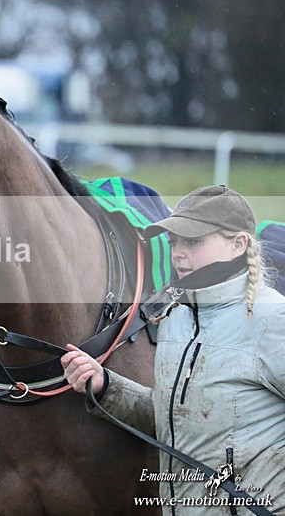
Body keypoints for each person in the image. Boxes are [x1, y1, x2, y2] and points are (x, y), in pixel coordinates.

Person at [61, 185, 285, 515]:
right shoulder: (174, 318)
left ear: (238, 244)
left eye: (192, 241)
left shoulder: (273, 321)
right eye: (173, 241)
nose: (177, 252)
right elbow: (176, 421)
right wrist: (105, 385)